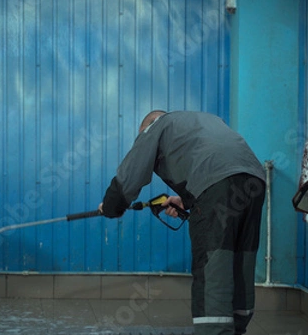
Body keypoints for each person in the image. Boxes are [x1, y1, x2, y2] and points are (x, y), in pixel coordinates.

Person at [99, 110, 266, 335]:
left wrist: (111, 206)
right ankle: (237, 327)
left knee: (213, 263)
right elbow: (218, 165)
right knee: (239, 256)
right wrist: (188, 201)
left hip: (217, 185)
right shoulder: (204, 121)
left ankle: (215, 330)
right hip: (253, 179)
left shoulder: (158, 125)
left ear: (149, 125)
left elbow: (130, 175)